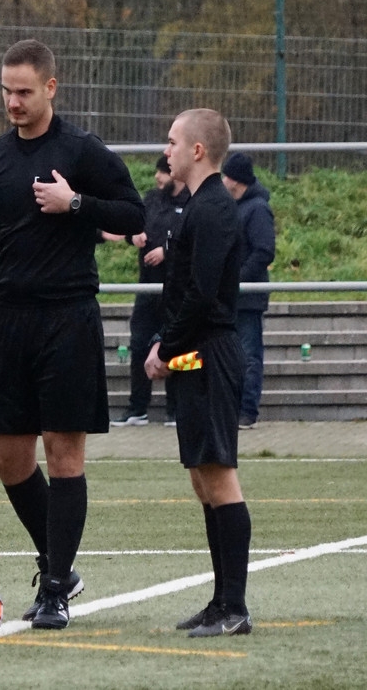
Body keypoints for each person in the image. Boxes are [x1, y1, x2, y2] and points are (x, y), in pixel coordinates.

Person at [0, 39, 145, 631]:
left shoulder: (82, 149)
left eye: (24, 91)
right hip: (13, 318)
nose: (13, 101)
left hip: (69, 316)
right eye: (6, 91)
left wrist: (75, 202)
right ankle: (59, 560)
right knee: (8, 456)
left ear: (51, 88)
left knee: (63, 453)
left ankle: (56, 585)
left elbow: (135, 214)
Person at [145, 108, 253, 638]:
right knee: (202, 479)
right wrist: (170, 345)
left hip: (210, 352)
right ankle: (219, 602)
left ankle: (234, 607)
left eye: (172, 141)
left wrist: (165, 347)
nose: (166, 150)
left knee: (219, 475)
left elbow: (203, 294)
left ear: (197, 150)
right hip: (196, 352)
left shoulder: (212, 209)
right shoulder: (196, 205)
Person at [108, 155, 189, 428]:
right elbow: (133, 224)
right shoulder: (152, 199)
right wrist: (133, 236)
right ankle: (137, 408)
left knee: (176, 346)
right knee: (140, 343)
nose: (157, 177)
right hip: (147, 288)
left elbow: (190, 240)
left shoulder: (191, 202)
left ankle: (176, 410)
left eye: (163, 172)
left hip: (174, 290)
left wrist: (166, 252)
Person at [221, 152, 276, 430]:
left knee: (249, 354)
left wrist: (237, 279)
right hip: (232, 295)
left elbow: (264, 251)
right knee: (235, 355)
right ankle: (234, 409)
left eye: (226, 175)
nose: (222, 180)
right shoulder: (237, 207)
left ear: (235, 180)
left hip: (247, 297)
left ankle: (247, 411)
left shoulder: (257, 209)